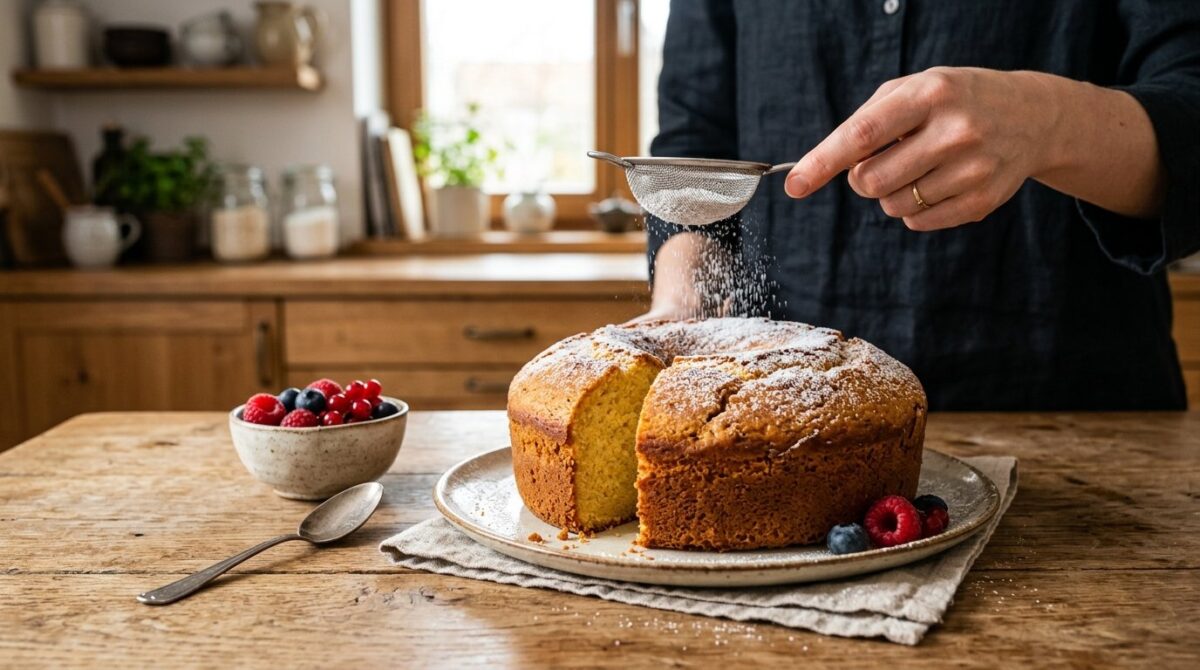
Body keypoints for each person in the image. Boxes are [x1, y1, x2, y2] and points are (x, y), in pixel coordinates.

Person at [640, 0, 1200, 410]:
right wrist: (686, 292)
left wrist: (1047, 120)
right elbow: (695, 143)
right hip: (786, 410)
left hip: (1082, 413)